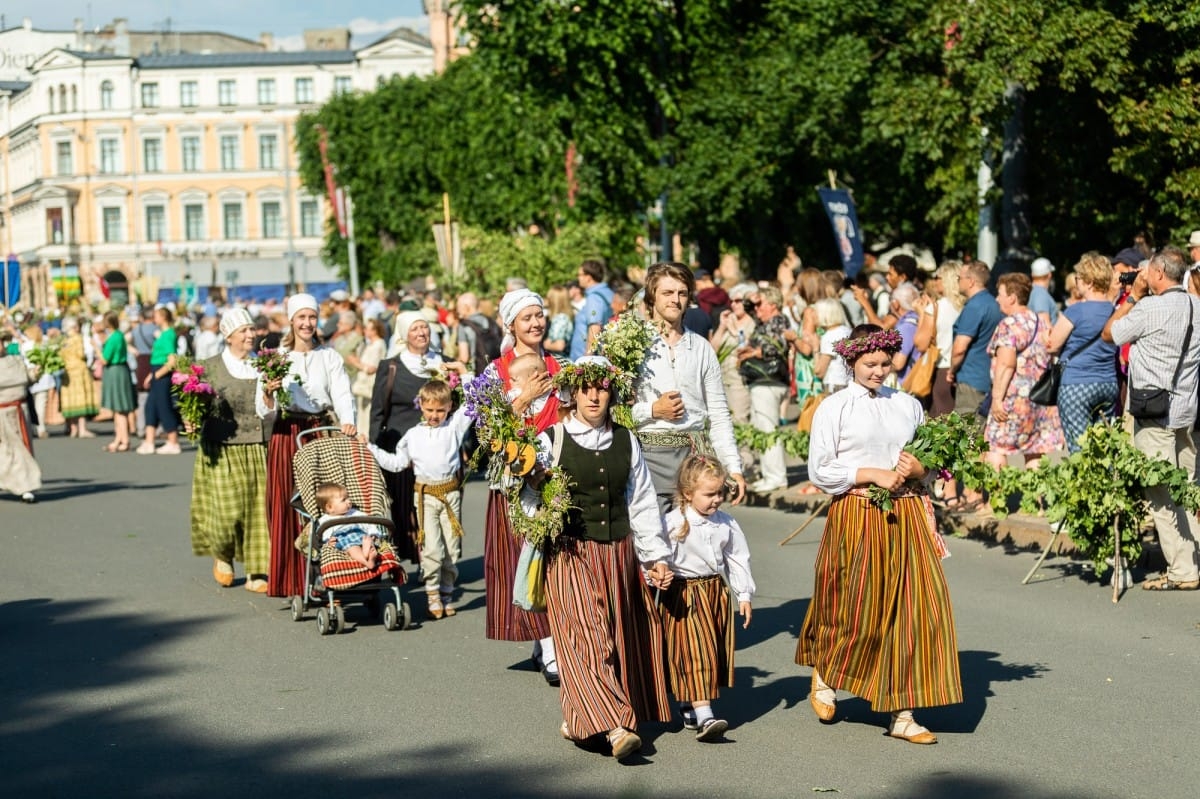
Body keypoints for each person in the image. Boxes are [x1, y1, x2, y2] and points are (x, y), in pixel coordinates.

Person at [796, 324, 962, 744]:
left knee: (915, 610)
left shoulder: (906, 404)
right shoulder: (834, 407)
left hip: (906, 513)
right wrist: (871, 473)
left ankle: (903, 713)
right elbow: (821, 468)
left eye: (885, 364)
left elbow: (931, 459)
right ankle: (828, 671)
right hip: (857, 511)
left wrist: (920, 470)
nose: (879, 371)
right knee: (856, 603)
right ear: (851, 361)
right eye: (870, 364)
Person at [535, 356, 674, 761]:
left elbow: (643, 501)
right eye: (586, 388)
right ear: (572, 393)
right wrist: (541, 512)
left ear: (612, 392)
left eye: (602, 388)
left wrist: (655, 557)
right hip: (570, 553)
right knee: (587, 636)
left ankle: (579, 718)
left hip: (618, 552)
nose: (594, 395)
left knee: (615, 635)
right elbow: (526, 498)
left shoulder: (627, 439)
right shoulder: (551, 440)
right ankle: (615, 726)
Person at [1103, 246, 1200, 591]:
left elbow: (1109, 334)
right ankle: (1194, 560)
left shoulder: (1148, 309)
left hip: (1153, 411)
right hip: (1189, 411)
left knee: (1161, 493)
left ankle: (1182, 571)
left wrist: (1132, 296)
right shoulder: (1197, 305)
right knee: (1188, 488)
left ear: (1158, 273)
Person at [483, 289, 563, 684]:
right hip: (514, 480)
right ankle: (548, 646)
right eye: (526, 318)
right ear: (510, 324)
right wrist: (525, 397)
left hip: (554, 473)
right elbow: (484, 430)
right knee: (529, 560)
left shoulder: (557, 364)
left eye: (539, 315)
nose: (535, 324)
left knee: (555, 561)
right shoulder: (494, 371)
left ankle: (546, 641)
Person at [257, 293, 357, 598]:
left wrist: (348, 420)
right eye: (301, 317)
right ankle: (292, 577)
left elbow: (341, 392)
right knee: (287, 501)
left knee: (324, 502)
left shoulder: (328, 356)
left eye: (311, 317)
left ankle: (329, 571)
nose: (307, 323)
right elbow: (263, 409)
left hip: (318, 430)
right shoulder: (277, 358)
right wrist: (269, 393)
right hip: (288, 431)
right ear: (290, 320)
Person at [631, 262, 746, 508]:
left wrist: (733, 467)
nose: (676, 300)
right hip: (648, 455)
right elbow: (614, 410)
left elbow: (718, 412)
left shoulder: (700, 347)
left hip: (694, 456)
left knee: (696, 541)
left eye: (682, 293)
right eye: (668, 293)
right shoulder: (633, 345)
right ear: (652, 296)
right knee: (654, 541)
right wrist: (652, 410)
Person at [660, 454, 755, 743]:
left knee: (708, 650)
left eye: (719, 493)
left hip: (714, 592)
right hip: (683, 594)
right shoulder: (673, 522)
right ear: (688, 494)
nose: (716, 500)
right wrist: (656, 571)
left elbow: (737, 558)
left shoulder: (725, 523)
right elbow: (653, 552)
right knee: (694, 650)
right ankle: (705, 715)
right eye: (709, 494)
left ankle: (689, 701)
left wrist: (744, 595)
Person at [370, 379, 472, 619]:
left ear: (449, 407)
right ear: (421, 407)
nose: (435, 415)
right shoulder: (413, 435)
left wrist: (463, 373)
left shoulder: (453, 428)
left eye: (440, 410)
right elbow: (397, 463)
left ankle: (447, 591)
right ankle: (432, 593)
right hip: (425, 496)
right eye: (430, 410)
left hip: (450, 494)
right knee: (432, 549)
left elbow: (474, 401)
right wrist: (371, 448)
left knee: (452, 548)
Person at [370, 311, 464, 564]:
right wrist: (374, 448)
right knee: (407, 508)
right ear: (403, 334)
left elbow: (463, 407)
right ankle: (422, 559)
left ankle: (441, 561)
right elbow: (378, 411)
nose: (422, 332)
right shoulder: (390, 366)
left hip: (441, 449)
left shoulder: (445, 363)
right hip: (403, 446)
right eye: (415, 329)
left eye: (425, 327)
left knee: (444, 508)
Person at [190, 308, 270, 592]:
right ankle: (223, 555)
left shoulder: (262, 365)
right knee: (226, 511)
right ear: (228, 335)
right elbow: (193, 406)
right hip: (221, 446)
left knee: (258, 511)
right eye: (244, 331)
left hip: (258, 444)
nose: (251, 335)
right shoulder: (208, 367)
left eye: (252, 329)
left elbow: (271, 406)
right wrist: (190, 419)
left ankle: (257, 570)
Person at [982, 273, 1065, 470]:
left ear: (1012, 297)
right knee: (1035, 450)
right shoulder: (1041, 322)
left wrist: (996, 399)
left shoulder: (1009, 324)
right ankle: (1035, 499)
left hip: (1011, 399)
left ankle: (996, 500)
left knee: (995, 446)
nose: (997, 298)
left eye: (1000, 293)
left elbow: (1006, 364)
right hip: (1038, 398)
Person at [1047, 253, 1119, 452]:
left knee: (1080, 449)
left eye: (1078, 278)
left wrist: (1047, 336)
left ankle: (1085, 483)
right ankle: (1106, 482)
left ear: (1088, 282)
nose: (1076, 281)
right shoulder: (1114, 311)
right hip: (1108, 383)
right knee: (1104, 447)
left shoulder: (1076, 311)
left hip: (1077, 383)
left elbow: (1052, 344)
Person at [738, 285, 791, 493]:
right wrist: (751, 298)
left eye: (761, 304)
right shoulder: (764, 322)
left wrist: (753, 353)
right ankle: (770, 474)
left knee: (768, 429)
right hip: (762, 381)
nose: (756, 308)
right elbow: (747, 308)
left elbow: (777, 347)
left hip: (770, 380)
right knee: (762, 428)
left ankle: (777, 476)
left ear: (773, 304)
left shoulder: (778, 321)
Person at [914, 261, 965, 417]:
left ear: (947, 280)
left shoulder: (936, 308)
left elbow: (920, 344)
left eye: (937, 277)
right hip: (962, 369)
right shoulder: (965, 306)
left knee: (940, 421)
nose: (934, 281)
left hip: (941, 368)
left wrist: (921, 313)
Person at [136, 306, 182, 455]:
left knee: (164, 406)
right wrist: (152, 374)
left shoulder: (169, 334)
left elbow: (172, 360)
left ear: (163, 317)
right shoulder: (162, 333)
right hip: (156, 370)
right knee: (151, 406)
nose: (154, 318)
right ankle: (149, 441)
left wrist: (157, 374)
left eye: (156, 316)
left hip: (163, 373)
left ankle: (173, 441)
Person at [710, 282, 757, 425]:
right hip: (723, 379)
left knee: (740, 421)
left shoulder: (753, 323)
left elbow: (745, 347)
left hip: (740, 381)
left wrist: (734, 331)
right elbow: (712, 350)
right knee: (724, 422)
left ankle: (743, 449)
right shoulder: (730, 321)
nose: (733, 305)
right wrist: (722, 327)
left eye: (738, 301)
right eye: (732, 301)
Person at [0, 338, 41, 503]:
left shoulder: (15, 359)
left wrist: (36, 373)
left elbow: (26, 377)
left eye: (1, 343)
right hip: (2, 412)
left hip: (20, 411)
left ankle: (26, 487)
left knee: (21, 449)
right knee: (5, 451)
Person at [315, 482, 384, 569]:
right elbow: (323, 534)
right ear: (330, 507)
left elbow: (369, 523)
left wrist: (373, 533)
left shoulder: (355, 513)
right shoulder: (325, 520)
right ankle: (367, 560)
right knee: (352, 548)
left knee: (368, 540)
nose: (349, 501)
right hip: (343, 538)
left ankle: (368, 554)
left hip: (361, 535)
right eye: (344, 500)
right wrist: (328, 541)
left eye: (348, 498)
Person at [99, 311, 136, 453]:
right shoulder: (119, 335)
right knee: (119, 408)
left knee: (119, 408)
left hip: (115, 371)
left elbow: (104, 359)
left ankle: (124, 440)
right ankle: (119, 438)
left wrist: (96, 348)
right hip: (121, 370)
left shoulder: (114, 337)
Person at [58, 316, 97, 438]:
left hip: (67, 371)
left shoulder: (64, 341)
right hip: (79, 370)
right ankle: (82, 429)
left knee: (70, 400)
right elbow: (80, 354)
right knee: (81, 399)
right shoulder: (77, 339)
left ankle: (73, 428)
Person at [569, 259, 613, 359]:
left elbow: (595, 327)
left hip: (585, 359)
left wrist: (587, 358)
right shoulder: (607, 292)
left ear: (588, 277)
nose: (578, 278)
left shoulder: (594, 297)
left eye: (579, 275)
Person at [810, 298, 851, 394]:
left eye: (816, 312)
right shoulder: (847, 331)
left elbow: (819, 372)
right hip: (848, 382)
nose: (813, 315)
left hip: (834, 385)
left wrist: (815, 348)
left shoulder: (830, 336)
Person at [543, 284, 574, 355]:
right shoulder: (565, 316)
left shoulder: (560, 319)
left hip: (559, 359)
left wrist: (543, 344)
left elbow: (559, 346)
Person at [1029, 257, 1060, 326]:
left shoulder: (1031, 290)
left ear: (1032, 275)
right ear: (1049, 275)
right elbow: (1043, 324)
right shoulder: (1040, 294)